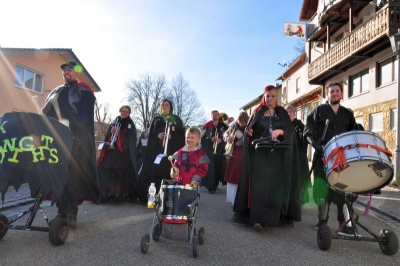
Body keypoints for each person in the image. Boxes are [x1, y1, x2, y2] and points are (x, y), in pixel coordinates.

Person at [42, 60, 100, 228]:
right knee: (59, 177)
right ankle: (61, 214)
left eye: (70, 69)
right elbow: (47, 113)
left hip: (76, 142)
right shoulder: (56, 91)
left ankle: (71, 213)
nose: (66, 72)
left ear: (76, 73)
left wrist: (72, 125)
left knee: (72, 178)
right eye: (64, 70)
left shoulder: (84, 92)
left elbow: (85, 117)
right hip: (57, 142)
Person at [233, 85, 298, 232]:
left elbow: (290, 132)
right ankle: (258, 220)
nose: (269, 99)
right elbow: (249, 132)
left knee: (275, 187)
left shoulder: (282, 113)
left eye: (273, 96)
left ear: (277, 97)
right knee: (259, 187)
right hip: (260, 156)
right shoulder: (258, 111)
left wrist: (280, 131)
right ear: (264, 97)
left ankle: (273, 218)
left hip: (277, 156)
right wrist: (249, 133)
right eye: (267, 96)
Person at [303, 81, 357, 236]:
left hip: (342, 160)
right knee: (321, 189)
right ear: (327, 95)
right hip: (322, 158)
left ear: (341, 94)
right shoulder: (318, 111)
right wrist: (317, 146)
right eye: (331, 91)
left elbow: (353, 135)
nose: (334, 93)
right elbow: (307, 132)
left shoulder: (348, 114)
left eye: (337, 91)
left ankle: (343, 223)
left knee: (342, 189)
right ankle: (322, 220)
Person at [138, 99, 185, 202]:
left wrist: (171, 137)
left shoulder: (176, 120)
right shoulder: (156, 119)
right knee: (153, 173)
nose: (164, 106)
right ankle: (152, 197)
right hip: (156, 152)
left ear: (170, 107)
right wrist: (157, 135)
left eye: (167, 105)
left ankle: (168, 199)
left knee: (169, 173)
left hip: (170, 153)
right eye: (162, 105)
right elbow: (150, 135)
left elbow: (181, 136)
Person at [97, 105, 138, 202]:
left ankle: (118, 194)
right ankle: (106, 193)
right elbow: (108, 136)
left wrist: (119, 132)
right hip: (111, 151)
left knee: (119, 173)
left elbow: (130, 139)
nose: (124, 113)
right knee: (106, 169)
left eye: (126, 111)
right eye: (122, 111)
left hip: (123, 154)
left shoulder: (130, 124)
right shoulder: (114, 122)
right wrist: (112, 132)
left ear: (129, 113)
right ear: (120, 111)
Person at [285, 105, 310, 206]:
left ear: (294, 113)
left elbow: (305, 139)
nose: (288, 113)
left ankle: (298, 201)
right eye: (286, 112)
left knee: (299, 179)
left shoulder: (299, 125)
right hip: (287, 157)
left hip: (299, 157)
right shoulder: (283, 124)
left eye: (290, 111)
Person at [223, 111, 249, 205]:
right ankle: (232, 199)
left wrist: (242, 141)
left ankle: (240, 200)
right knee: (232, 176)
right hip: (233, 153)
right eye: (240, 122)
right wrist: (228, 138)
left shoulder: (250, 126)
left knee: (241, 176)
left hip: (244, 153)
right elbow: (225, 135)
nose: (242, 124)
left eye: (243, 123)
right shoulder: (233, 126)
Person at [201, 110, 228, 194]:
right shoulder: (208, 126)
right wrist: (211, 139)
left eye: (216, 115)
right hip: (210, 152)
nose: (215, 116)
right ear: (211, 116)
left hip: (220, 151)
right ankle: (211, 187)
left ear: (218, 116)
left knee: (218, 169)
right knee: (210, 169)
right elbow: (202, 139)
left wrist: (222, 141)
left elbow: (228, 137)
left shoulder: (223, 126)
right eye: (213, 115)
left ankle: (215, 184)